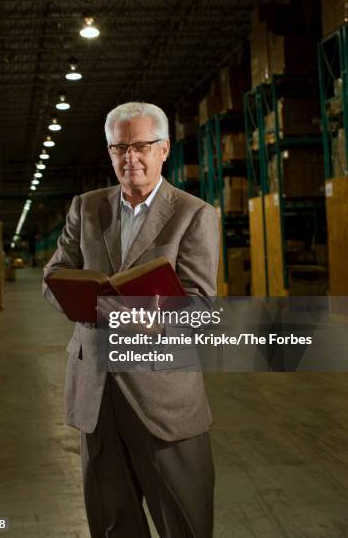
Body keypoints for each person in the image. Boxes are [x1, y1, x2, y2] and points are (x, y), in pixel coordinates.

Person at [43, 102, 220, 537]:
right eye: (120, 147)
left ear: (164, 150)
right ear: (110, 152)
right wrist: (76, 296)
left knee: (185, 522)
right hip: (95, 392)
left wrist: (150, 319)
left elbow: (200, 309)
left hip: (163, 396)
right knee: (112, 523)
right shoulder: (86, 208)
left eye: (141, 145)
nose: (130, 158)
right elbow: (52, 279)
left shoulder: (193, 215)